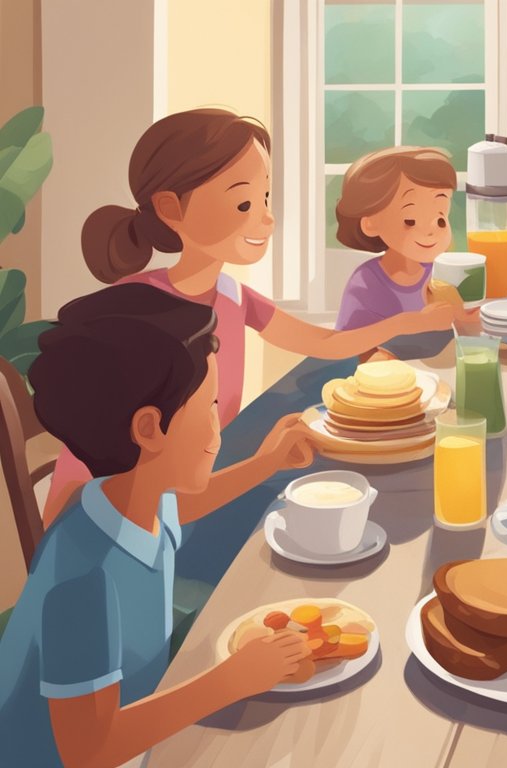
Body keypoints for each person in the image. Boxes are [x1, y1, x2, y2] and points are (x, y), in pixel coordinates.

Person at [43, 109, 466, 525]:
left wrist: (406, 323)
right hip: (113, 535)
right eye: (244, 201)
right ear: (171, 209)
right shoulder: (137, 320)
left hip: (181, 497)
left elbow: (323, 343)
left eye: (265, 197)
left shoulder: (230, 294)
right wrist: (266, 462)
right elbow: (150, 506)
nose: (266, 216)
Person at [0, 284, 319, 767]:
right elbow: (89, 749)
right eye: (209, 409)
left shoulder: (125, 500)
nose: (217, 429)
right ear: (149, 428)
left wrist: (266, 463)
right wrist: (230, 681)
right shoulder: (82, 581)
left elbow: (182, 509)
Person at [333, 146, 465, 337]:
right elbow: (348, 348)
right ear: (370, 224)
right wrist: (417, 323)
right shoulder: (366, 284)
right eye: (410, 221)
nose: (430, 232)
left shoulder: (440, 277)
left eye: (440, 220)